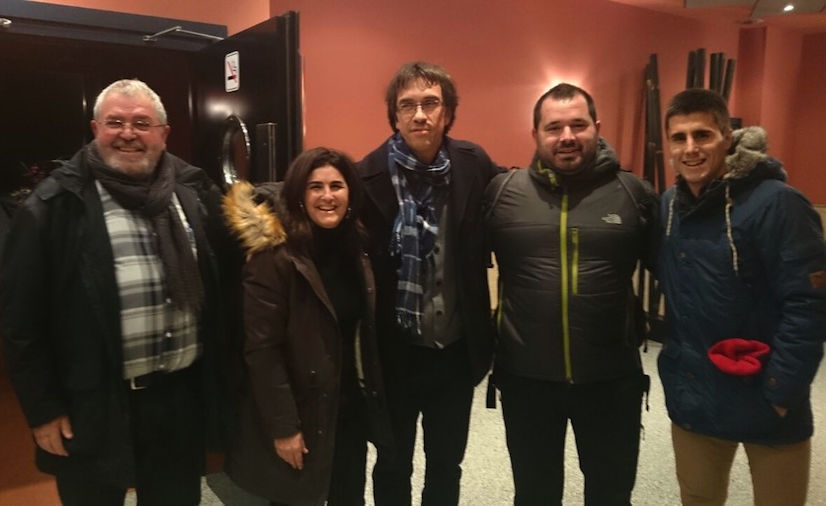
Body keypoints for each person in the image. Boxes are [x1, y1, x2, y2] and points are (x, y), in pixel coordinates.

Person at [0, 78, 241, 505]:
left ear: (163, 134)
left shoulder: (194, 194)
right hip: (93, 402)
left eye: (142, 123)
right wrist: (43, 409)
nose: (128, 133)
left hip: (180, 401)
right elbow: (21, 324)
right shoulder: (55, 207)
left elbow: (235, 269)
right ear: (95, 129)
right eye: (115, 122)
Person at [485, 83, 658, 505]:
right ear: (536, 134)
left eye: (578, 125)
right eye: (554, 127)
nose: (567, 136)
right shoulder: (503, 193)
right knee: (534, 495)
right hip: (526, 380)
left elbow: (679, 272)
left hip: (610, 380)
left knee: (611, 495)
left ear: (597, 127)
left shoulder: (634, 194)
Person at [657, 88, 826, 506]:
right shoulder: (669, 207)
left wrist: (781, 392)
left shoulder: (779, 204)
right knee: (698, 498)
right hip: (696, 394)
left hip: (768, 397)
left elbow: (809, 305)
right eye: (679, 138)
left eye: (702, 135)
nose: (690, 148)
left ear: (727, 137)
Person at [357, 61, 502, 506]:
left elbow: (518, 196)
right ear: (394, 116)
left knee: (446, 464)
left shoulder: (474, 165)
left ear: (448, 112)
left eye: (431, 103)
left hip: (455, 353)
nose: (420, 115)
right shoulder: (365, 177)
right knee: (392, 463)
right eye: (408, 105)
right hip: (394, 355)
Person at [220, 147, 391, 506]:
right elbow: (262, 350)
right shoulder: (274, 256)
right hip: (300, 412)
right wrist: (284, 427)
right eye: (316, 187)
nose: (327, 196)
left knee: (349, 497)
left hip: (347, 409)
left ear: (350, 193)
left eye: (336, 186)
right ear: (299, 194)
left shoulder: (356, 247)